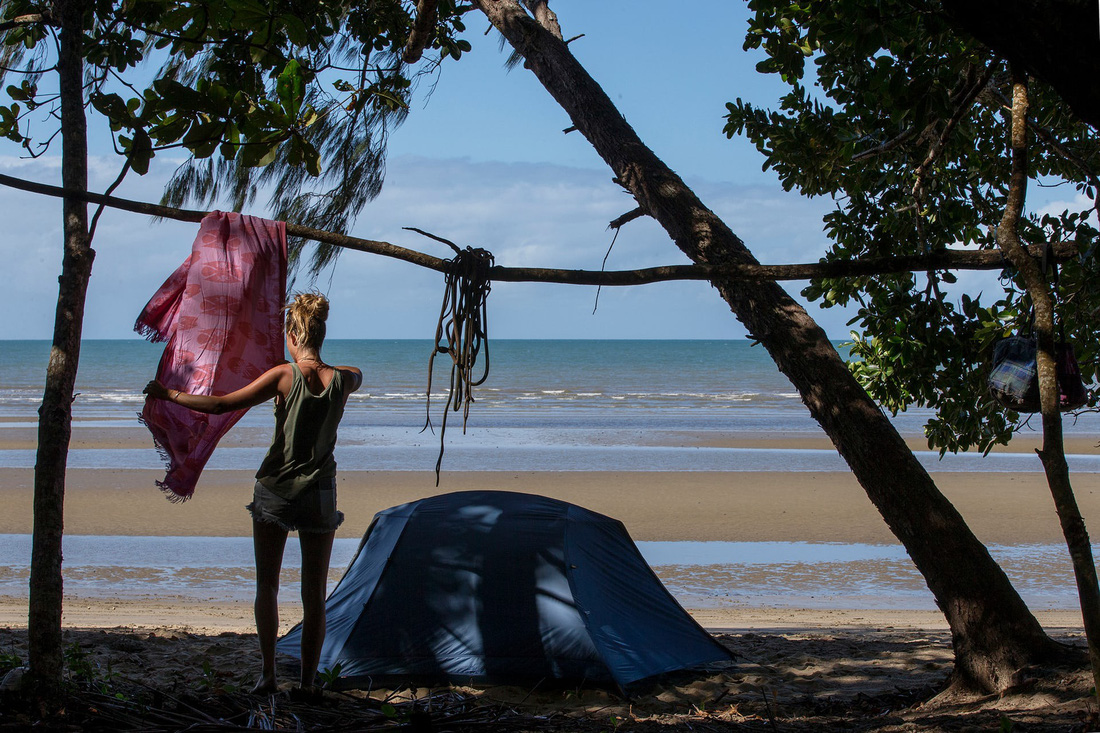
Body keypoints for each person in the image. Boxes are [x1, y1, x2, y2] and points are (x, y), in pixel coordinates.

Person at [144, 292, 363, 696]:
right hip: (321, 492)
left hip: (276, 488)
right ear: (321, 332)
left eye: (288, 334)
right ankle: (310, 683)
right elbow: (353, 371)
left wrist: (168, 394)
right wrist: (322, 361)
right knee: (314, 594)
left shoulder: (283, 376)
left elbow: (221, 404)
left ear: (294, 333)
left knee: (269, 585)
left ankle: (267, 675)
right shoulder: (346, 380)